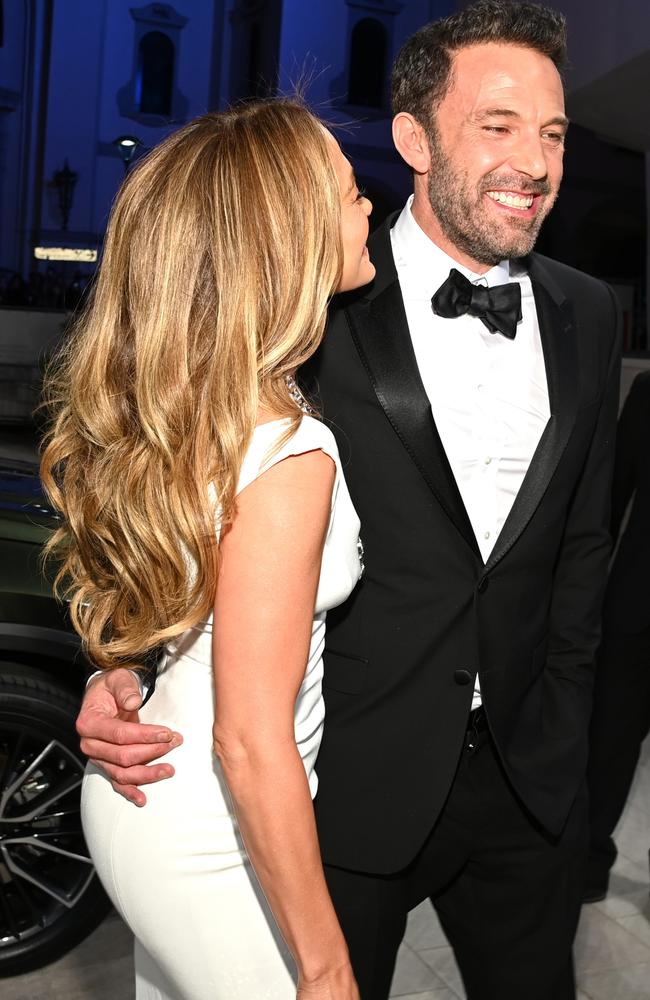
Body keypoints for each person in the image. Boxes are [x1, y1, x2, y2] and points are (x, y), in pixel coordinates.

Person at [74, 3, 622, 998]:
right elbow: (173, 458)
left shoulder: (590, 310)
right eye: (496, 124)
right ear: (411, 138)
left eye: (551, 132)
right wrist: (124, 658)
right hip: (342, 784)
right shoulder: (311, 307)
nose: (535, 162)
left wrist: (568, 753)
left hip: (526, 786)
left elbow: (583, 554)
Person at [41, 99, 377, 999]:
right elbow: (250, 740)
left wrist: (112, 668)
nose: (368, 208)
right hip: (211, 829)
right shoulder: (291, 450)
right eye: (349, 196)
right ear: (293, 241)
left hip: (143, 790)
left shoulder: (206, 409)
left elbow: (170, 593)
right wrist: (327, 964)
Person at [584, 369, 650, 901]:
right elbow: (608, 501)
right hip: (634, 611)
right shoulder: (649, 391)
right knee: (607, 745)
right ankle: (586, 867)